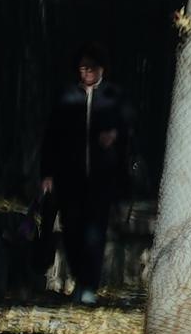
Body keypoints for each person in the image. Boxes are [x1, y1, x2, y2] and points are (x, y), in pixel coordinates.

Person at [37, 46, 135, 305]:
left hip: (101, 178)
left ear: (102, 68)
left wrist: (114, 136)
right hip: (70, 176)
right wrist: (47, 172)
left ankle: (88, 285)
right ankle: (81, 279)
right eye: (82, 67)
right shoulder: (67, 95)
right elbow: (51, 136)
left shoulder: (114, 96)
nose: (87, 71)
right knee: (71, 231)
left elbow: (128, 132)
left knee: (94, 233)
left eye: (91, 66)